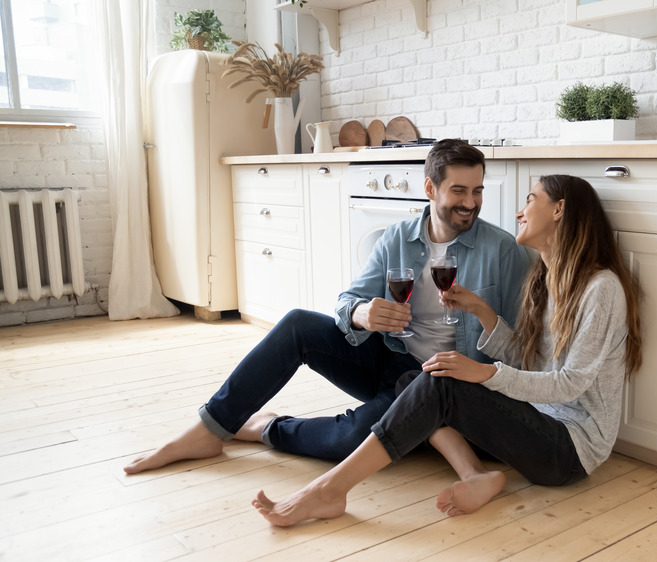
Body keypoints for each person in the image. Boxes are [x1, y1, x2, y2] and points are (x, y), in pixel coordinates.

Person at [249, 173, 643, 526]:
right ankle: (474, 474)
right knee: (418, 376)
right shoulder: (544, 280)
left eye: (530, 199)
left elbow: (570, 384)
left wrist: (484, 373)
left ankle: (329, 490)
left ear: (559, 210)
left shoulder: (600, 288)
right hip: (535, 423)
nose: (520, 212)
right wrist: (481, 310)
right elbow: (529, 362)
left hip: (569, 449)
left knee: (441, 383)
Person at [124, 139, 532, 474]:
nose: (470, 203)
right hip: (392, 360)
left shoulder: (501, 251)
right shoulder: (397, 239)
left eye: (477, 191)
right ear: (430, 189)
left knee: (352, 441)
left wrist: (482, 316)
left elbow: (521, 345)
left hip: (440, 382)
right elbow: (347, 302)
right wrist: (362, 314)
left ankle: (269, 428)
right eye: (458, 191)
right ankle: (209, 427)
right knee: (298, 324)